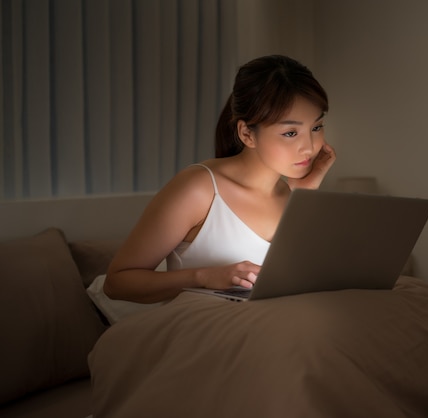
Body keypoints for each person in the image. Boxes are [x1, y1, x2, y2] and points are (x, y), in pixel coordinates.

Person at [104, 55, 336, 304]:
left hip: (273, 328)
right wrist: (203, 276)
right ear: (247, 133)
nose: (309, 148)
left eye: (316, 127)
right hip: (206, 331)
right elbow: (117, 283)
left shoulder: (295, 194)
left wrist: (304, 196)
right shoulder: (199, 189)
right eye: (290, 132)